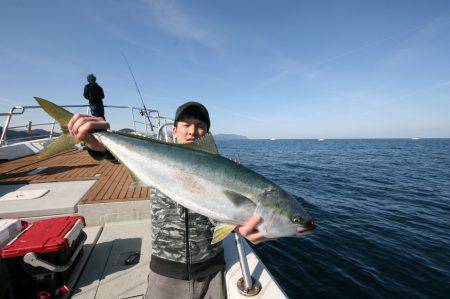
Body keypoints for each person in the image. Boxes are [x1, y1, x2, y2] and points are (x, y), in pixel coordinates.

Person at [67, 101, 271, 299]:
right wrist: (96, 144)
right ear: (174, 131)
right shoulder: (156, 158)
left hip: (211, 269)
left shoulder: (223, 172)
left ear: (207, 135)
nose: (193, 131)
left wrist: (240, 223)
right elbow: (115, 155)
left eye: (200, 126)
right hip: (165, 271)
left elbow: (224, 211)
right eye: (186, 125)